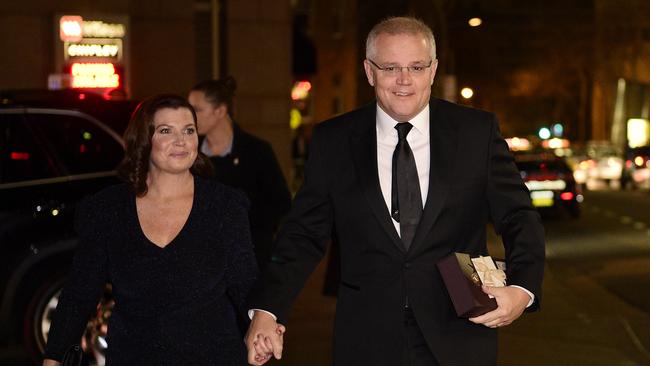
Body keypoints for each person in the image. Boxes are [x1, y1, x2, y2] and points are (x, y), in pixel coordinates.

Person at [245, 16, 545, 366]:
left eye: (416, 67)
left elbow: (518, 216)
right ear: (369, 72)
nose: (404, 80)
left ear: (433, 71)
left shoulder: (476, 132)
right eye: (390, 67)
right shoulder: (335, 140)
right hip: (366, 336)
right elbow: (303, 234)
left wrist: (522, 290)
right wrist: (267, 308)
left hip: (460, 331)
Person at [42, 94, 258, 365]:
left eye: (188, 130)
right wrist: (54, 356)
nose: (181, 141)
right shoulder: (108, 209)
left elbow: (246, 283)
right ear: (144, 140)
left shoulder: (223, 205)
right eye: (166, 131)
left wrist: (263, 323)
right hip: (133, 356)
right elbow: (80, 292)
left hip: (213, 355)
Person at [188, 77, 292, 270]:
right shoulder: (189, 154)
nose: (190, 116)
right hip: (203, 263)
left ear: (220, 111)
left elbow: (281, 204)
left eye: (198, 109)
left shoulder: (256, 151)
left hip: (250, 260)